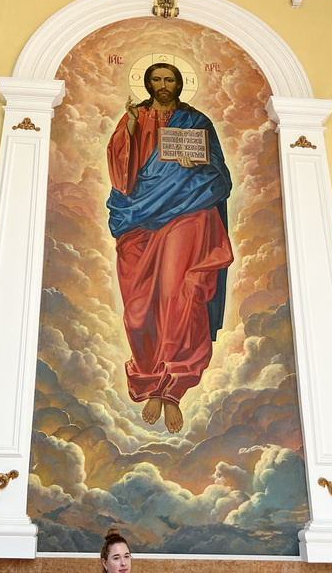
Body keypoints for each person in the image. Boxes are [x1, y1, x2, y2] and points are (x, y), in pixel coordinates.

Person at [106, 63, 234, 433]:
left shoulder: (196, 122)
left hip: (188, 211)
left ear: (179, 83)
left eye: (170, 79)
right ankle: (150, 380)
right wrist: (130, 129)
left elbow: (218, 175)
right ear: (148, 83)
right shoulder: (136, 116)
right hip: (138, 216)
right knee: (139, 307)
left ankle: (174, 386)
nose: (163, 85)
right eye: (157, 80)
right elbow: (120, 171)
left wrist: (194, 166)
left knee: (180, 294)